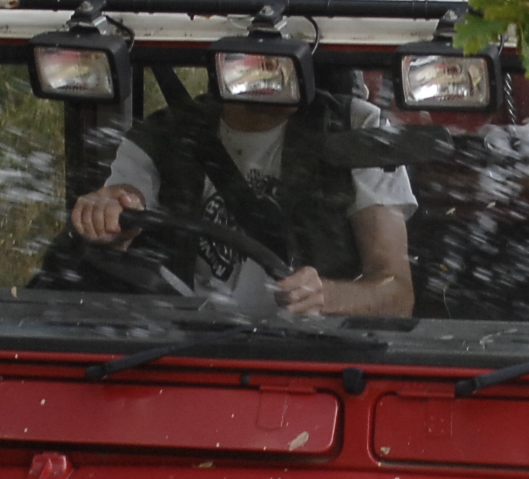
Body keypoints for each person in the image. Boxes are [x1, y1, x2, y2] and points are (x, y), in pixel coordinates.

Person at [69, 72, 415, 317]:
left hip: (312, 361)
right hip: (178, 352)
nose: (266, 68)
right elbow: (125, 199)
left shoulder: (356, 127)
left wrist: (328, 295)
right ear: (218, 59)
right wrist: (107, 211)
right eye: (252, 57)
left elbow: (397, 293)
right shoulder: (162, 135)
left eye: (281, 53)